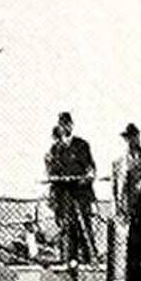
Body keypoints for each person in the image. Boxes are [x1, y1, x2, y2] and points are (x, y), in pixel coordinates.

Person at [48, 112, 96, 267]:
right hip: (64, 196)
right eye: (62, 124)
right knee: (67, 229)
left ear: (71, 125)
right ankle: (70, 261)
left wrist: (85, 178)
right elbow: (52, 172)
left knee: (84, 228)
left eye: (67, 124)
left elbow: (91, 169)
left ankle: (90, 260)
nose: (65, 127)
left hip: (80, 195)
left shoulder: (82, 145)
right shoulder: (56, 149)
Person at [111, 123, 141, 221]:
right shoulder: (118, 162)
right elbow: (115, 187)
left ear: (138, 137)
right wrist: (116, 208)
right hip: (126, 207)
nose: (131, 140)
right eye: (128, 137)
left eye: (134, 136)